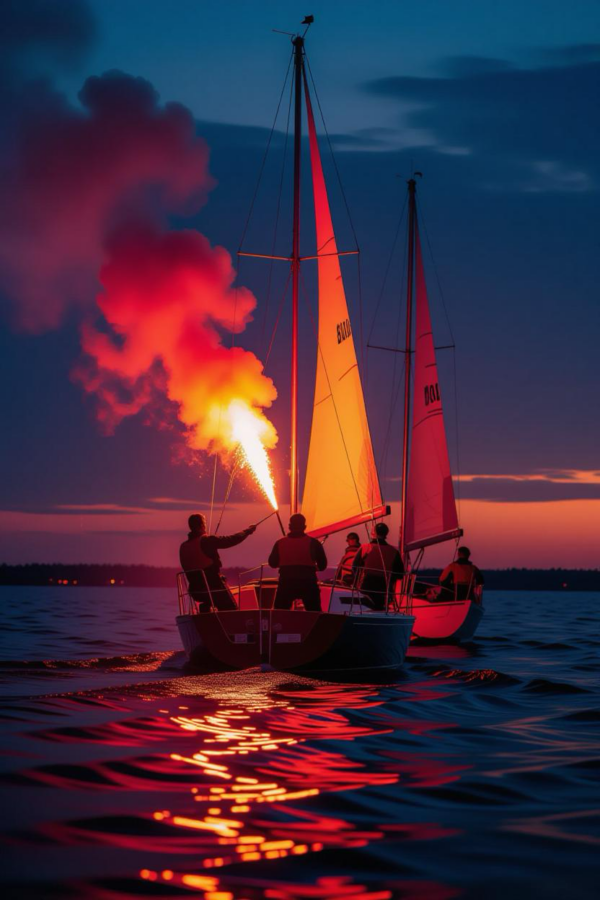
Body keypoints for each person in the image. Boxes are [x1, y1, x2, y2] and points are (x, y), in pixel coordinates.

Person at [179, 513, 256, 612]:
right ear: (201, 526)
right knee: (232, 610)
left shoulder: (183, 547)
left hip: (195, 591)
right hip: (214, 589)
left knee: (213, 594)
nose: (205, 527)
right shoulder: (206, 540)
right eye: (204, 524)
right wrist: (247, 531)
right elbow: (230, 540)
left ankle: (206, 609)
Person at [268, 513, 327, 611]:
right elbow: (323, 565)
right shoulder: (314, 543)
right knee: (314, 612)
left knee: (279, 613)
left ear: (289, 526)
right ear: (304, 527)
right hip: (308, 582)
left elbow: (272, 563)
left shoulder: (280, 543)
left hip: (286, 582)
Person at [352, 522, 404, 611]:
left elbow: (354, 567)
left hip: (366, 587)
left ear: (373, 533)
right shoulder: (394, 552)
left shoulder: (365, 548)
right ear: (386, 534)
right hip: (384, 590)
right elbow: (400, 574)